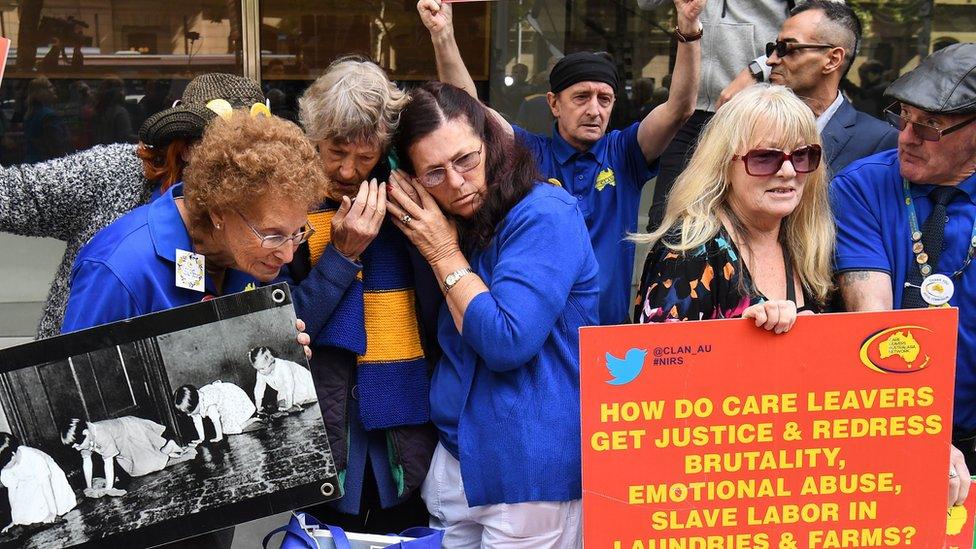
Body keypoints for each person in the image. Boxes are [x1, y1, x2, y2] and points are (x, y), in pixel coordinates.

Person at [385, 81, 599, 548]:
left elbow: (506, 341)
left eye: (466, 160)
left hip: (528, 466)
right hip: (456, 456)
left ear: (491, 144)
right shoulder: (456, 219)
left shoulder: (544, 212)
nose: (457, 182)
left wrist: (442, 251)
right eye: (435, 173)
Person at [419, 0, 703, 325]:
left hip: (607, 336)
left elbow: (680, 107)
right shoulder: (530, 153)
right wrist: (443, 35)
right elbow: (470, 112)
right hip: (544, 338)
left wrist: (689, 28)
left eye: (604, 99)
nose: (595, 110)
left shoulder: (625, 153)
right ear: (554, 103)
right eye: (581, 97)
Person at [280, 55, 438, 534]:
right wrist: (341, 256)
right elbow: (282, 332)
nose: (349, 170)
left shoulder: (408, 201)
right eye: (335, 151)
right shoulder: (288, 209)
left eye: (365, 156)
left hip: (402, 431)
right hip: (324, 432)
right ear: (312, 139)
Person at [0, 73, 268, 339]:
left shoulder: (265, 202)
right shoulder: (110, 173)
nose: (244, 166)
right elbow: (10, 194)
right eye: (228, 151)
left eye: (255, 152)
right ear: (187, 147)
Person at [830, 43, 976, 508]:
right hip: (891, 422)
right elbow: (872, 324)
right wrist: (919, 433)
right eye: (904, 118)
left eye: (930, 126)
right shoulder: (862, 186)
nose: (907, 137)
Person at [60, 110, 323, 332]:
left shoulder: (246, 254)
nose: (288, 255)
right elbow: (72, 384)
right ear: (219, 211)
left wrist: (283, 356)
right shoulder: (119, 269)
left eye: (298, 232)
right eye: (273, 235)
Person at [634, 84, 834, 331]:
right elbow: (662, 362)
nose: (788, 171)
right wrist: (741, 339)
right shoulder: (688, 251)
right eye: (765, 158)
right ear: (724, 165)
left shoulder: (807, 241)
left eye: (802, 156)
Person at [638, 0, 790, 232]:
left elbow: (821, 22)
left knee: (740, 224)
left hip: (752, 110)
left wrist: (760, 69)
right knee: (664, 221)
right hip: (688, 110)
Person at [721, 0, 898, 176]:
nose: (770, 60)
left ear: (832, 60)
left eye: (786, 48)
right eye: (772, 48)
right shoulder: (750, 125)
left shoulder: (879, 141)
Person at [60, 417, 186, 497]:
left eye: (77, 445)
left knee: (150, 464)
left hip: (130, 431)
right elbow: (86, 461)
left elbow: (108, 462)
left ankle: (168, 448)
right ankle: (165, 450)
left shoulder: (101, 434)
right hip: (122, 445)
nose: (77, 448)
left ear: (86, 433)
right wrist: (89, 487)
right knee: (135, 470)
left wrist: (108, 489)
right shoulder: (85, 441)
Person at [0, 433, 76, 534]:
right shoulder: (6, 468)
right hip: (29, 480)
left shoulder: (33, 457)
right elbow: (12, 491)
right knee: (26, 514)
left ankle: (53, 511)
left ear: (13, 455)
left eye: (5, 465)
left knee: (52, 510)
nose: (4, 469)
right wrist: (15, 519)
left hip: (49, 478)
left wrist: (52, 512)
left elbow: (46, 486)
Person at [174, 382, 262, 443]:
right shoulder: (196, 402)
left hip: (231, 398)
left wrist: (219, 437)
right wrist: (201, 438)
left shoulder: (209, 403)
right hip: (223, 401)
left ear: (197, 403)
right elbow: (197, 421)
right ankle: (246, 421)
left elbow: (216, 420)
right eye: (186, 412)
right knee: (226, 426)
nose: (189, 415)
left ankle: (251, 420)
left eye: (190, 411)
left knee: (228, 428)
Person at [249, 346, 316, 413]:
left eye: (263, 368)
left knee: (303, 397)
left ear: (271, 360)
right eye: (259, 369)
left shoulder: (283, 366)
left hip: (299, 381)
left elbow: (289, 386)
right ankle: (294, 406)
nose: (261, 371)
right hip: (284, 388)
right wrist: (259, 407)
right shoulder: (261, 372)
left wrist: (289, 406)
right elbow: (259, 389)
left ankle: (299, 405)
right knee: (281, 403)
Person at [22, 77, 72, 162]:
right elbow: (56, 146)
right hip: (46, 164)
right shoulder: (49, 116)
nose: (54, 89)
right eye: (50, 87)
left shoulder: (30, 114)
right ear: (41, 92)